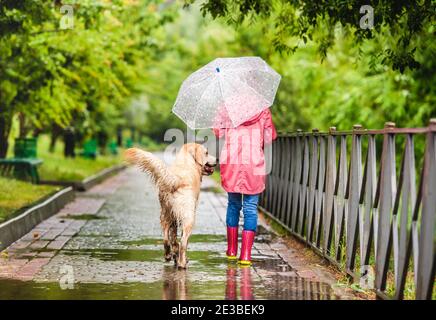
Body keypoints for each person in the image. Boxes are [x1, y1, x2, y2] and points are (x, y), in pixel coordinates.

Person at [213, 108, 277, 265]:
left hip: (232, 161)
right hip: (254, 162)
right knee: (250, 207)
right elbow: (270, 137)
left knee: (233, 204)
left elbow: (217, 132)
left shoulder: (226, 106)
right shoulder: (262, 108)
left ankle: (232, 250)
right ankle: (246, 255)